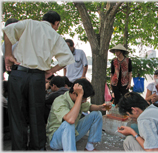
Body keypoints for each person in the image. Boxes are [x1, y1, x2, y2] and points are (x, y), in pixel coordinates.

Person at [2, 10, 74, 150]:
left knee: (17, 116)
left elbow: (8, 31)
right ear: (56, 23)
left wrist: (8, 55)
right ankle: (37, 148)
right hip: (37, 77)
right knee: (36, 116)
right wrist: (52, 71)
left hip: (18, 74)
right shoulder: (54, 35)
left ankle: (19, 149)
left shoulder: (29, 24)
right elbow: (67, 58)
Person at [46, 78, 110, 151]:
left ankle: (89, 147)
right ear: (74, 93)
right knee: (68, 123)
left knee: (97, 114)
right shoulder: (60, 101)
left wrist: (101, 107)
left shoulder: (78, 99)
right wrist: (80, 96)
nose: (85, 100)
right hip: (56, 140)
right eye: (83, 98)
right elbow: (70, 120)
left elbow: (89, 106)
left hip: (72, 134)